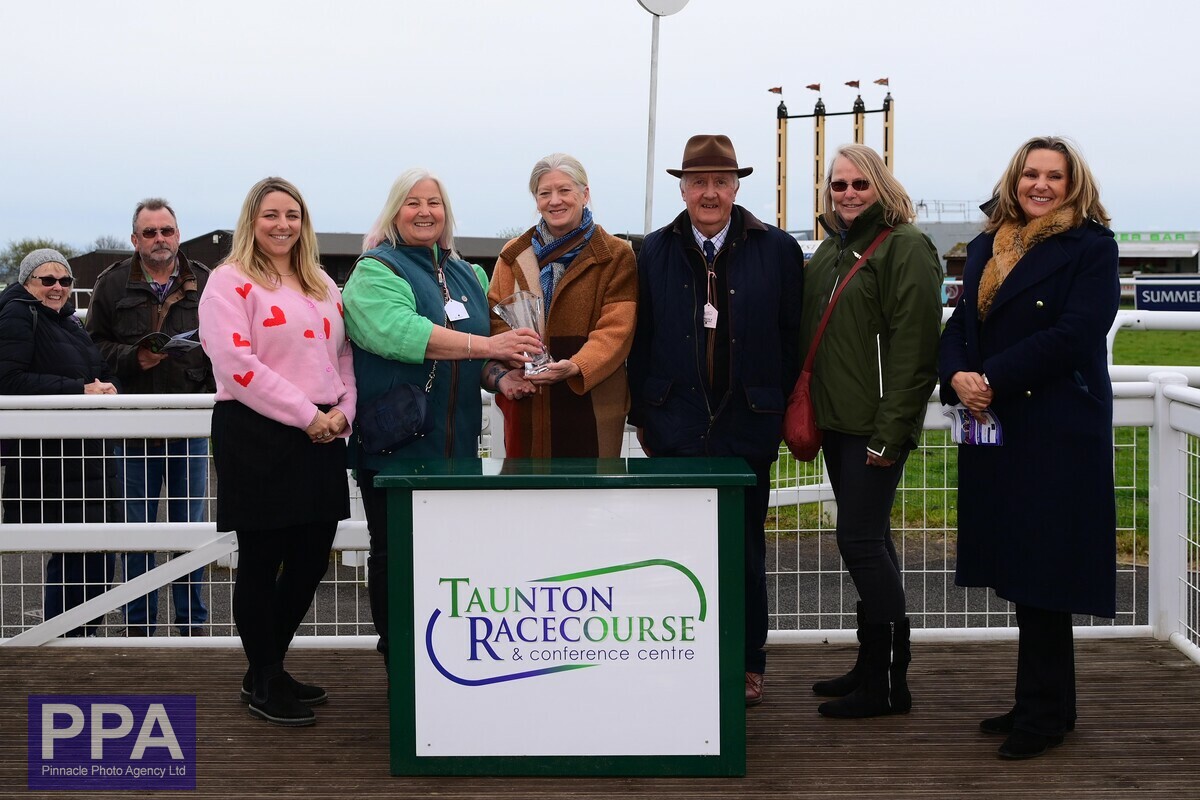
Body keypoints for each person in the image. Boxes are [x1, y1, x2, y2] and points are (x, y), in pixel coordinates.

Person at [939, 136, 1119, 760]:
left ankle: (1043, 717)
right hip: (997, 427)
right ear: (1015, 180)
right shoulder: (989, 245)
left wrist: (992, 378)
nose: (1041, 186)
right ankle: (1043, 702)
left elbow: (1077, 334)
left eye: (1055, 176)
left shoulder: (1091, 247)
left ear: (1074, 185)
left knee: (1045, 571)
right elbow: (961, 326)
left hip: (1057, 430)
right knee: (1020, 566)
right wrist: (958, 374)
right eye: (1031, 175)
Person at [628, 134, 803, 707]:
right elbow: (641, 339)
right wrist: (645, 415)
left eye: (720, 181)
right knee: (675, 552)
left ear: (736, 186)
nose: (709, 193)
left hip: (746, 423)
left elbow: (790, 336)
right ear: (682, 187)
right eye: (698, 182)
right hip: (674, 422)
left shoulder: (775, 248)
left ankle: (749, 662)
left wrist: (775, 410)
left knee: (745, 552)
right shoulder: (651, 250)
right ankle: (682, 659)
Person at [342, 168, 541, 671]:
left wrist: (498, 377)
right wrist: (488, 346)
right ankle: (401, 667)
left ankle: (444, 662)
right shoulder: (374, 272)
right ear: (394, 212)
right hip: (397, 447)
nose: (425, 211)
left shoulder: (468, 274)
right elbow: (399, 333)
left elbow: (470, 359)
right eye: (412, 203)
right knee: (396, 559)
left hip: (456, 450)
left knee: (451, 561)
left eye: (434, 202)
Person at [198, 177, 356, 727]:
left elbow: (344, 361)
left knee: (312, 559)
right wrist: (307, 414)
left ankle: (267, 665)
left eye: (292, 214)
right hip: (258, 432)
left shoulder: (323, 286)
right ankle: (264, 678)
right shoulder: (228, 281)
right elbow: (236, 366)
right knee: (262, 562)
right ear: (252, 219)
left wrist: (343, 413)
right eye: (271, 215)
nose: (282, 224)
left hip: (322, 434)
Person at [800, 144, 942, 719]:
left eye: (860, 184)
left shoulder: (905, 246)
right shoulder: (834, 248)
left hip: (872, 426)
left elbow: (914, 348)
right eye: (839, 185)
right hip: (838, 421)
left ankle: (888, 684)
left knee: (858, 541)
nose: (849, 194)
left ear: (882, 187)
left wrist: (892, 431)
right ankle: (873, 669)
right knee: (871, 539)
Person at [86, 198, 214, 637]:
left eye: (167, 231)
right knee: (136, 535)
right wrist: (130, 357)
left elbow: (228, 344)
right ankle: (139, 627)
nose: (160, 239)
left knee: (189, 533)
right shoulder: (112, 283)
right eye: (150, 232)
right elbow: (91, 347)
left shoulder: (207, 280)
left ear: (178, 234)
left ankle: (192, 627)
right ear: (134, 239)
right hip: (133, 427)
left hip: (189, 426)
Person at [484, 153, 637, 457]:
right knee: (530, 498)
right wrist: (520, 354)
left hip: (592, 404)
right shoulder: (512, 255)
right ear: (536, 199)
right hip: (528, 403)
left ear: (585, 194)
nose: (555, 201)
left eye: (565, 190)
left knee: (591, 500)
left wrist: (577, 366)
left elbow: (617, 330)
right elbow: (496, 319)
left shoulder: (616, 256)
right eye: (545, 193)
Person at [0, 249, 119, 636]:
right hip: (52, 457)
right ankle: (64, 641)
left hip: (85, 454)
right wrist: (80, 390)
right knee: (74, 555)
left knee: (94, 553)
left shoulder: (67, 321)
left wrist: (105, 384)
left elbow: (89, 371)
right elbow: (9, 381)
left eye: (64, 281)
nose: (57, 287)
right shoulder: (19, 314)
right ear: (26, 283)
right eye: (46, 280)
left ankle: (80, 638)